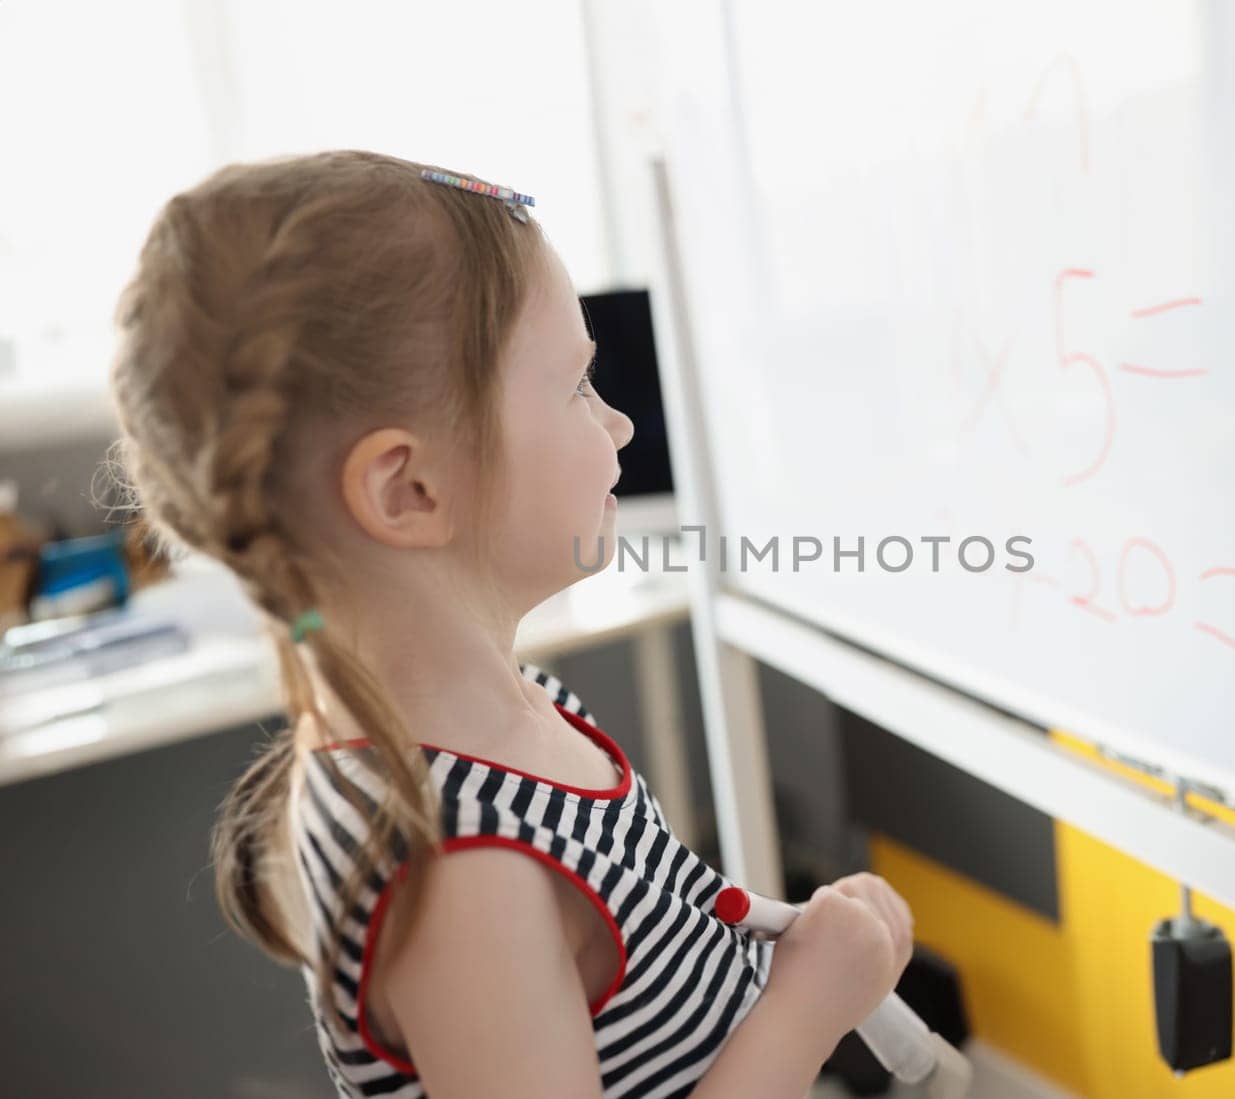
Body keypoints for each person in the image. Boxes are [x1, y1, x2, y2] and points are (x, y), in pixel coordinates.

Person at [105, 149, 914, 1098]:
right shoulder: (464, 874)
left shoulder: (505, 717)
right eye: (576, 384)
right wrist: (810, 1002)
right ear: (408, 488)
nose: (616, 425)